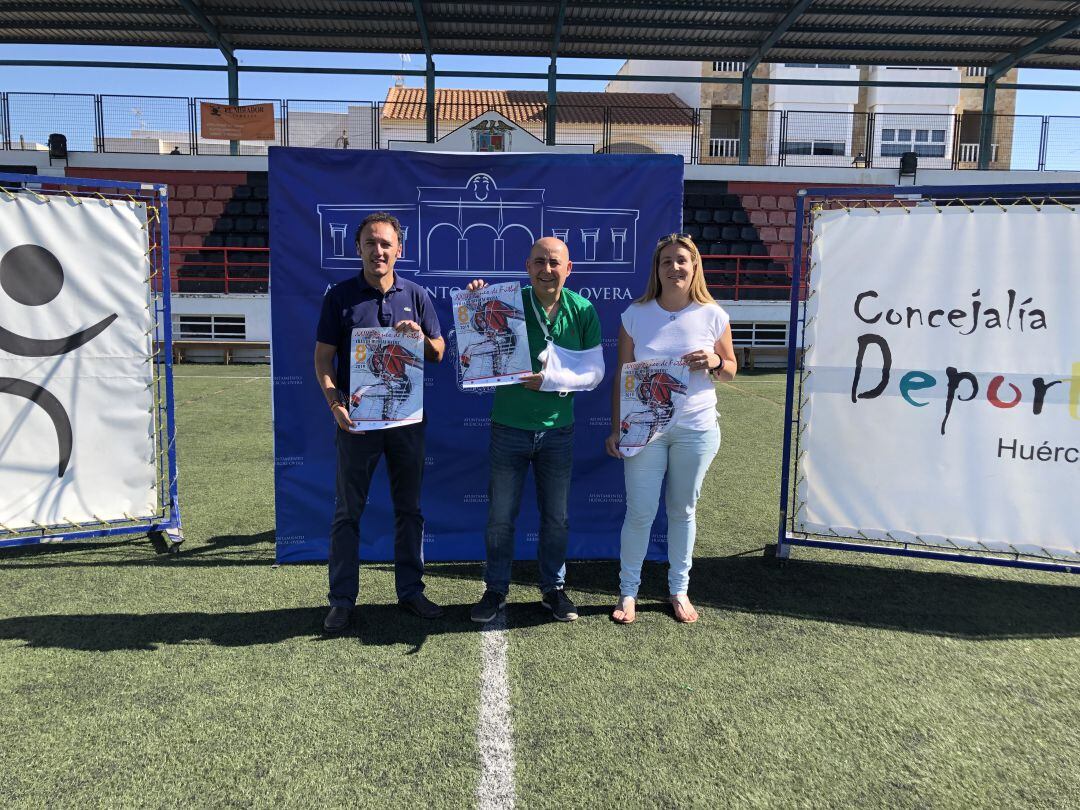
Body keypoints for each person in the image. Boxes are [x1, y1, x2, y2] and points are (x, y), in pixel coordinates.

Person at [314, 212, 446, 633]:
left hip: (407, 422)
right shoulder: (339, 296)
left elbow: (439, 352)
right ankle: (342, 600)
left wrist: (418, 340)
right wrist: (335, 405)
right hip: (357, 424)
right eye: (371, 243)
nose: (379, 250)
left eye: (386, 243)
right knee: (347, 512)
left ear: (399, 250)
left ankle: (410, 590)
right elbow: (322, 360)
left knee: (409, 510)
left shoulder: (418, 295)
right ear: (359, 248)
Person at [467, 237, 604, 624]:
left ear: (568, 268)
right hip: (508, 427)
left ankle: (553, 590)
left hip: (558, 432)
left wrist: (549, 380)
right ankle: (495, 589)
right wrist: (477, 297)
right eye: (539, 262)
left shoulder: (583, 310)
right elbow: (476, 331)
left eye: (554, 262)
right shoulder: (507, 304)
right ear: (527, 267)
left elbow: (595, 373)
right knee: (499, 517)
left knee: (556, 517)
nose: (547, 269)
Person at [604, 234, 737, 624]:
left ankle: (679, 590)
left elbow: (729, 370)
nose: (674, 267)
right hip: (644, 431)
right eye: (666, 261)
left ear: (694, 266)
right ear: (656, 269)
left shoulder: (713, 314)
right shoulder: (635, 314)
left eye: (682, 260)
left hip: (696, 428)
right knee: (640, 512)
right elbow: (624, 377)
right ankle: (628, 592)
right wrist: (617, 429)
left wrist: (713, 359)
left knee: (682, 511)